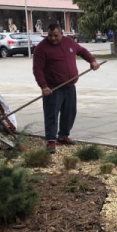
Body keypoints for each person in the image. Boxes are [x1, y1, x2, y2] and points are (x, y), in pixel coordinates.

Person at [33, 24, 100, 154]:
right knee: (52, 114)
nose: (52, 38)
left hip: (70, 86)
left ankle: (63, 136)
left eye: (56, 36)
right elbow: (37, 70)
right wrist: (44, 86)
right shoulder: (41, 48)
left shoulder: (69, 42)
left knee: (70, 112)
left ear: (61, 34)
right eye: (50, 36)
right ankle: (51, 141)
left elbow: (82, 51)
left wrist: (92, 61)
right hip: (53, 88)